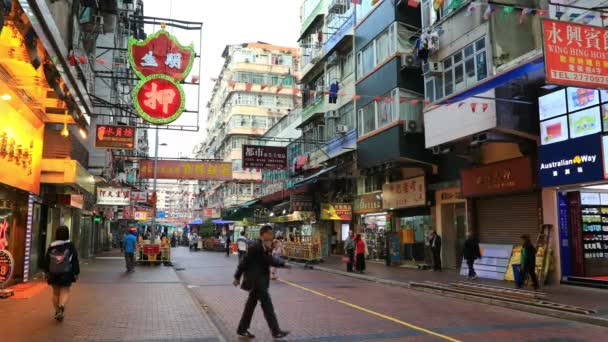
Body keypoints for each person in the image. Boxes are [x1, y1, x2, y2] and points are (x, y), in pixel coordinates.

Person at [233, 225, 290, 339]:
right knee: (268, 307)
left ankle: (242, 329)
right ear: (264, 234)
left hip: (258, 282)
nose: (271, 236)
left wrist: (269, 249)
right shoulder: (256, 246)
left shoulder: (262, 246)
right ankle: (275, 331)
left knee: (250, 307)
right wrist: (237, 277)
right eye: (270, 233)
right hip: (258, 282)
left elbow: (265, 259)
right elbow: (246, 262)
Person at [41, 226, 80, 322]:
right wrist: (76, 272)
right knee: (65, 291)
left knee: (55, 292)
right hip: (66, 272)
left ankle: (57, 310)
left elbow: (47, 260)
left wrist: (46, 271)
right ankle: (61, 306)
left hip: (53, 272)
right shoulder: (70, 245)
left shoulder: (52, 245)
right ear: (67, 233)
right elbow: (74, 259)